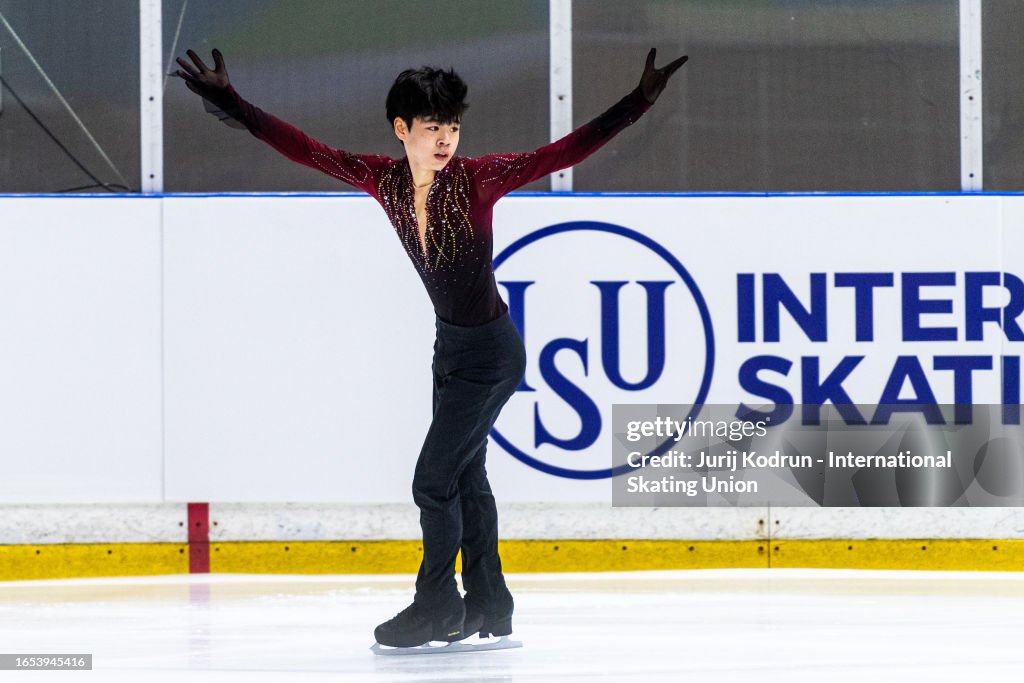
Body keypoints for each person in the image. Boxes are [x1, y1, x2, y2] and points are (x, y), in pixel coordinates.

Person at [174, 46, 687, 651]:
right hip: (450, 352)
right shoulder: (383, 179)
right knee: (466, 479)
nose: (446, 138)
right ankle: (491, 606)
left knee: (431, 482)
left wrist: (638, 101)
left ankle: (438, 605)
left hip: (492, 356)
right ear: (403, 129)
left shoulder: (478, 179)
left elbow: (561, 152)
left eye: (453, 126)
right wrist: (231, 102)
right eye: (433, 127)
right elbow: (303, 148)